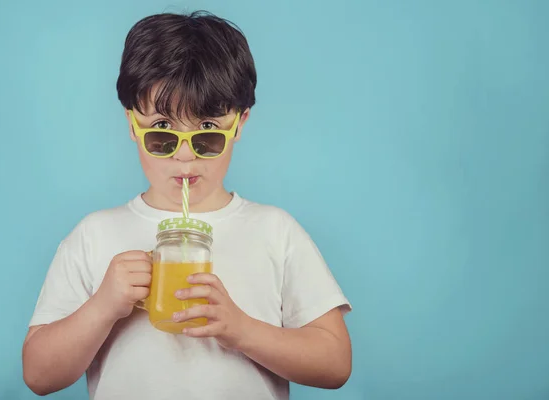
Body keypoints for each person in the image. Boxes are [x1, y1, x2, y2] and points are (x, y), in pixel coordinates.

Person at [22, 10, 352, 400]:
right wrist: (103, 307)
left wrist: (242, 330)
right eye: (161, 132)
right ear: (132, 125)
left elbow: (335, 363)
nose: (184, 157)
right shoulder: (94, 235)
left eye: (207, 133)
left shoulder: (275, 232)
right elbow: (39, 375)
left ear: (240, 124)